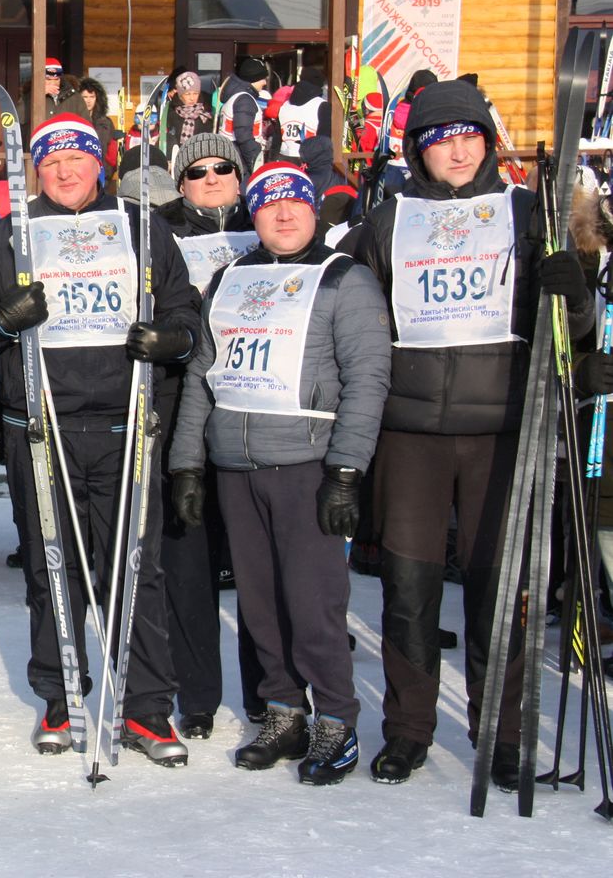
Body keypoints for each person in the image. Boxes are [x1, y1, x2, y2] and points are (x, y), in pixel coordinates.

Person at [339, 79, 595, 789]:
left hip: (502, 428)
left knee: (499, 588)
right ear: (416, 150)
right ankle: (408, 729)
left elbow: (574, 336)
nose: (457, 150)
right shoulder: (387, 222)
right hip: (410, 432)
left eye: (469, 136)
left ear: (487, 141)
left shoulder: (526, 212)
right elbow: (354, 318)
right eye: (439, 139)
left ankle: (502, 734)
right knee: (409, 588)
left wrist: (572, 293)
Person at [0, 112, 199, 764]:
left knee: (135, 570)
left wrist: (171, 340)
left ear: (99, 162)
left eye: (77, 158)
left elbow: (184, 310)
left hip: (125, 425)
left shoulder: (141, 227)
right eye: (52, 162)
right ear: (37, 170)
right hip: (42, 429)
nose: (65, 172)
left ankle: (146, 708)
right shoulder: (11, 235)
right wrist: (2, 320)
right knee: (51, 569)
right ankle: (61, 696)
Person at [169, 163, 391, 784]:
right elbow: (202, 375)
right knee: (260, 604)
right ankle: (284, 711)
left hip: (306, 465)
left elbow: (368, 381)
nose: (284, 214)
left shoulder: (345, 279)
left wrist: (345, 471)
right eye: (270, 205)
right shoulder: (230, 279)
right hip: (236, 467)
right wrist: (187, 463)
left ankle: (336, 718)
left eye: (295, 202)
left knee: (313, 604)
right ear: (255, 215)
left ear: (314, 210)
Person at [152, 133, 265, 735]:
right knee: (187, 562)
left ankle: (267, 692)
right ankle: (196, 696)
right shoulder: (160, 233)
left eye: (224, 167)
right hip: (181, 407)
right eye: (197, 171)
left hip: (254, 410)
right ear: (181, 182)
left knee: (256, 564)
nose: (212, 177)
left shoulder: (269, 224)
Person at [219, 57, 270, 177]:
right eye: (262, 78)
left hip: (232, 157)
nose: (265, 83)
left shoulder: (236, 97)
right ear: (253, 79)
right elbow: (244, 136)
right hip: (241, 162)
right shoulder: (244, 100)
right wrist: (256, 163)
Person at [272, 68, 333, 161]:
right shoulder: (323, 105)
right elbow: (324, 140)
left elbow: (276, 140)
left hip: (284, 158)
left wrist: (271, 161)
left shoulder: (285, 105)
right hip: (310, 160)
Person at [163, 71, 215, 155]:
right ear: (180, 95)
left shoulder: (205, 116)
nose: (192, 98)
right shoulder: (170, 114)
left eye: (195, 93)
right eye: (187, 94)